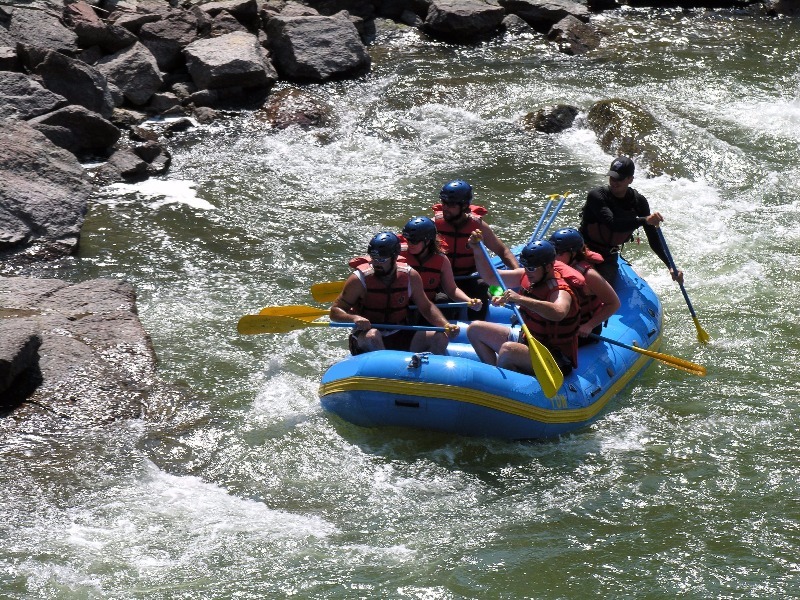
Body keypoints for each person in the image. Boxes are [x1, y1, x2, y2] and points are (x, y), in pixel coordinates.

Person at [466, 231, 580, 376]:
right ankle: (494, 378)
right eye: (525, 266)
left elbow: (558, 312)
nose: (527, 271)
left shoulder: (560, 291)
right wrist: (477, 248)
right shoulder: (527, 276)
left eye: (532, 268)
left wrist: (520, 299)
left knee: (508, 350)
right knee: (475, 329)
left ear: (549, 266)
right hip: (528, 341)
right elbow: (490, 277)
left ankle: (503, 384)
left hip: (554, 356)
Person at [330, 232, 459, 355]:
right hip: (366, 334)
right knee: (373, 336)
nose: (376, 264)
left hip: (400, 333)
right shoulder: (359, 279)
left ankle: (430, 375)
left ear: (395, 257)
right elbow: (335, 310)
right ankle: (385, 373)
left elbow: (426, 307)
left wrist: (445, 325)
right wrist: (354, 318)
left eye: (381, 260)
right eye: (374, 259)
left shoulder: (410, 276)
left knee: (440, 337)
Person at [578, 156, 684, 286]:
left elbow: (653, 238)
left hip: (607, 256)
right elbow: (613, 224)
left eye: (619, 179)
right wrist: (644, 220)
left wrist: (670, 266)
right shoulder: (597, 196)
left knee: (600, 290)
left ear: (630, 179)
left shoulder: (639, 202)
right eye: (612, 177)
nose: (614, 182)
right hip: (583, 249)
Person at [432, 179, 519, 319]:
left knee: (482, 286)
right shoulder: (434, 225)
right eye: (444, 203)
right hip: (443, 279)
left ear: (464, 205)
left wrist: (517, 274)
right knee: (441, 299)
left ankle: (476, 327)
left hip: (469, 277)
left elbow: (503, 251)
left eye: (451, 204)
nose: (445, 208)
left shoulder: (477, 226)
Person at [400, 216, 483, 317]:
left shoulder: (441, 260)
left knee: (443, 300)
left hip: (428, 305)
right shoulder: (398, 255)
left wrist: (469, 301)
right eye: (407, 239)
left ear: (427, 241)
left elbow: (452, 290)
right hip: (403, 305)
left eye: (414, 241)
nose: (409, 244)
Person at [548, 227, 621, 343]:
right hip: (559, 325)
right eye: (552, 251)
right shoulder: (551, 267)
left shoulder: (588, 275)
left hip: (583, 330)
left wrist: (589, 326)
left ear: (573, 253)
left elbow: (614, 303)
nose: (553, 256)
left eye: (558, 252)